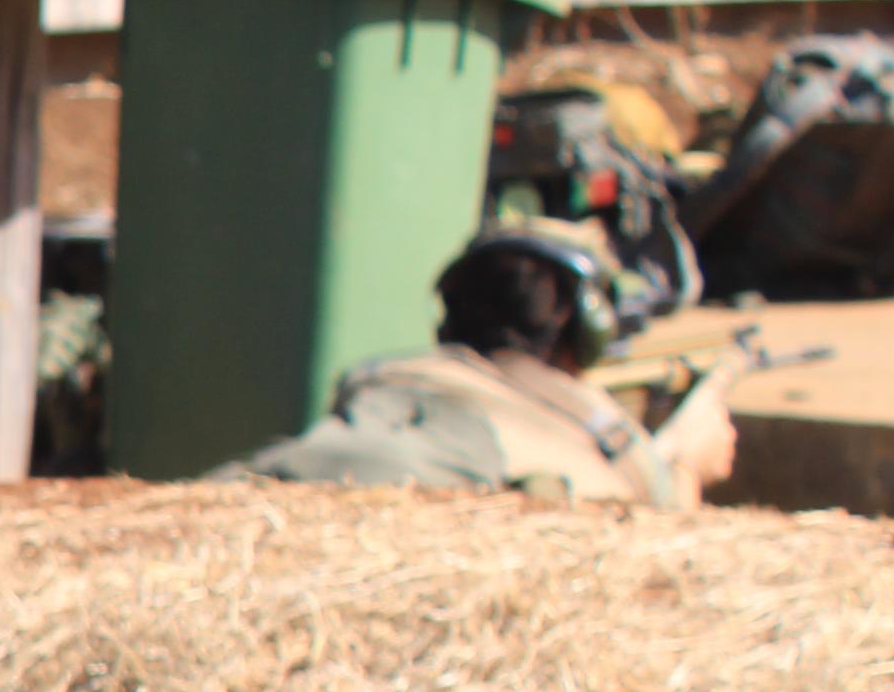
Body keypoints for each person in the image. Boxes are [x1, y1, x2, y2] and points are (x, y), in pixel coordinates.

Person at [220, 217, 734, 508]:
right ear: (586, 324)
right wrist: (690, 464)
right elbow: (668, 538)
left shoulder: (396, 372)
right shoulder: (600, 432)